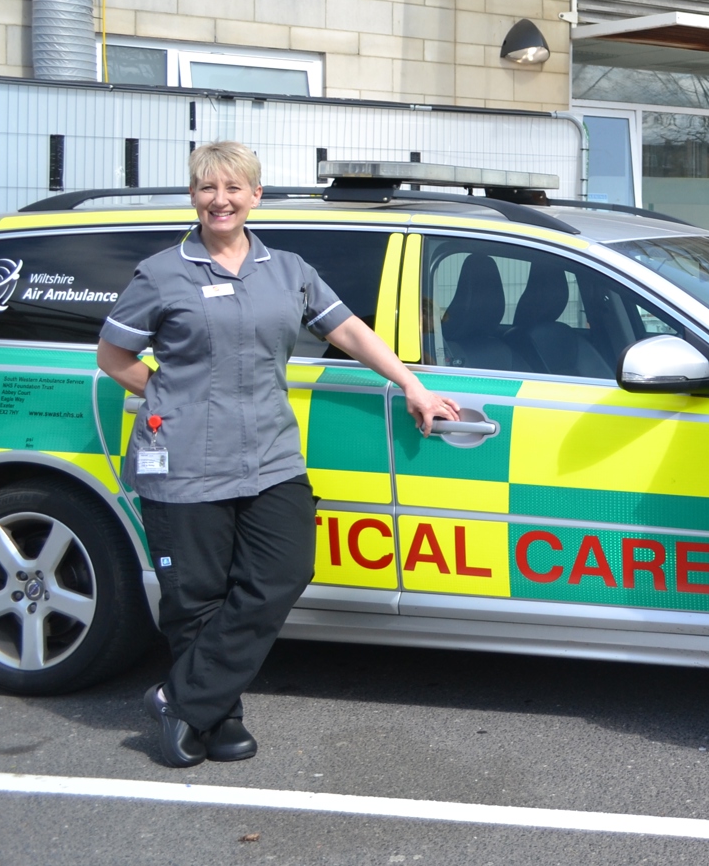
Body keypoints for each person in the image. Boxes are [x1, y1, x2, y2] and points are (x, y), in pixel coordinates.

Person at [97, 142, 458, 769]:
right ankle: (219, 716)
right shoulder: (161, 273)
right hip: (184, 458)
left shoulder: (286, 268)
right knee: (197, 596)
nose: (221, 200)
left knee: (282, 573)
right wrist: (171, 395)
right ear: (194, 196)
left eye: (234, 188)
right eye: (208, 188)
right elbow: (114, 357)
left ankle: (179, 700)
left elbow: (347, 330)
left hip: (270, 456)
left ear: (255, 197)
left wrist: (412, 384)